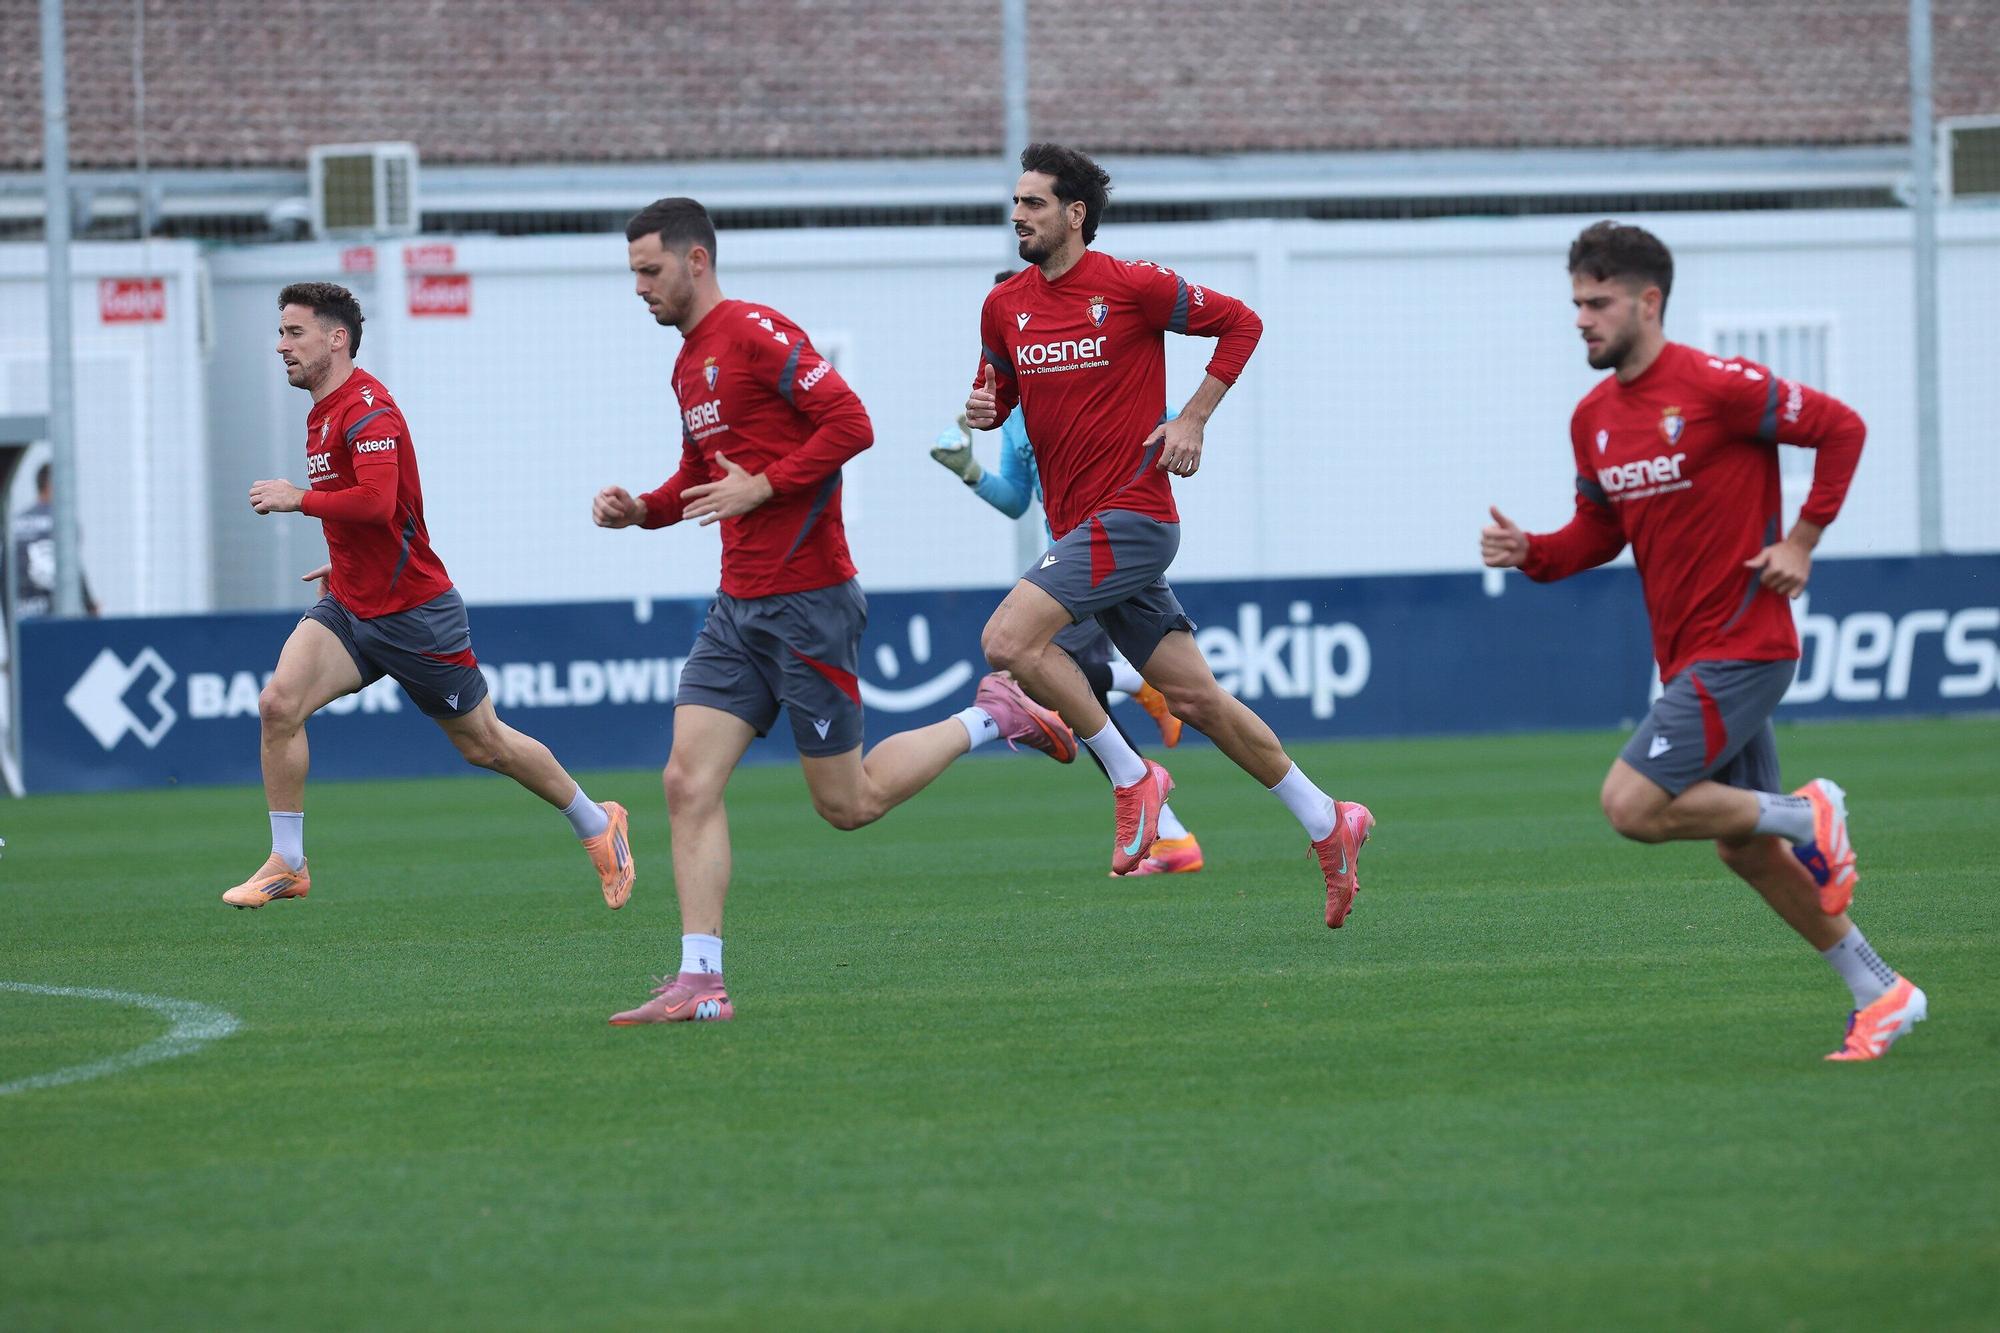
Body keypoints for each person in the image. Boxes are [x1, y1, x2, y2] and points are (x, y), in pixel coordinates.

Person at [595, 197, 1075, 1025]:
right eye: (633, 272)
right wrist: (644, 507)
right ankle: (701, 981)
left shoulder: (755, 332)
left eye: (650, 270)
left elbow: (852, 423)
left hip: (807, 600)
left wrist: (767, 484)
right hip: (737, 606)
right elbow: (698, 476)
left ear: (696, 261)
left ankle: (995, 716)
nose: (639, 287)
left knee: (847, 805)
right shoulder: (686, 364)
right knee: (686, 780)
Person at [1480, 220, 1924, 1061]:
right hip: (1686, 654)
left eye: (1599, 302)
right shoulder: (1593, 419)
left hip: (1747, 643)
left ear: (1649, 302)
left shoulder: (1719, 386)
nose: (1582, 317)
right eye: (1576, 302)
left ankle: (1810, 809)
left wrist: (1801, 540)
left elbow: (1842, 428)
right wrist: (1533, 552)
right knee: (1744, 849)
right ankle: (1881, 988)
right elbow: (1598, 534)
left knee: (1632, 804)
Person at [965, 143, 1373, 926]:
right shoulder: (1003, 305)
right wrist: (988, 409)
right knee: (1197, 697)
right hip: (1081, 527)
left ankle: (1130, 776)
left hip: (1135, 517)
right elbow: (998, 389)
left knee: (1008, 640)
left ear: (1074, 214)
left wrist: (1192, 418)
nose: (1018, 215)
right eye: (1015, 202)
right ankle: (1330, 820)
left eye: (1034, 203)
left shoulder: (1129, 285)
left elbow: (1242, 323)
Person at [224, 282, 636, 912]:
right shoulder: (322, 410)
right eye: (280, 332)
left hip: (415, 614)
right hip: (352, 606)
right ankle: (289, 862)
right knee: (279, 705)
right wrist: (341, 561)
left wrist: (295, 498)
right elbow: (372, 516)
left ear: (337, 339)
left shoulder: (370, 411)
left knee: (484, 745)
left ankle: (595, 821)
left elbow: (378, 501)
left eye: (294, 332)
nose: (281, 345)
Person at [933, 303, 1202, 876]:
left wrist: (1167, 436)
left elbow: (1169, 424)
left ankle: (1140, 696)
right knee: (1073, 696)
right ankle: (1173, 836)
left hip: (1105, 557)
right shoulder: (1013, 413)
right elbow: (1014, 500)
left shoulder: (1097, 373)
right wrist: (968, 471)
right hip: (1068, 564)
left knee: (1043, 676)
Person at [12, 463, 100, 618]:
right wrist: (90, 606)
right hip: (55, 617)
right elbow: (74, 567)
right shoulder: (63, 523)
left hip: (21, 616)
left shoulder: (15, 524)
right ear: (52, 485)